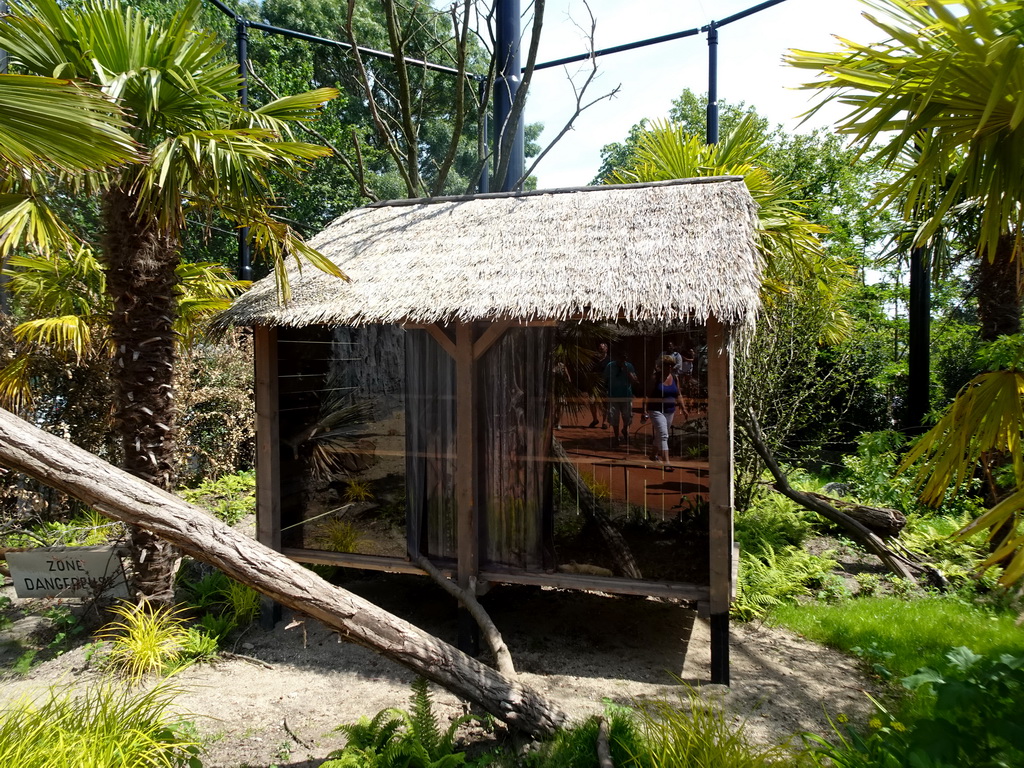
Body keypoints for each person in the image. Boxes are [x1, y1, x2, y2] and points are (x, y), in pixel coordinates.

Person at [642, 355, 686, 469]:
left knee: (661, 433)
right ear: (662, 366)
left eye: (671, 365)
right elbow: (647, 395)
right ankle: (666, 462)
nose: (669, 367)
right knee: (663, 434)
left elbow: (678, 394)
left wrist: (683, 408)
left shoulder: (675, 378)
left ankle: (653, 455)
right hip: (655, 410)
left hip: (670, 410)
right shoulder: (655, 378)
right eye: (667, 365)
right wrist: (644, 410)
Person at [603, 349, 639, 448]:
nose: (622, 360)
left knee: (627, 417)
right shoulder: (610, 366)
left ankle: (625, 429)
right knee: (614, 417)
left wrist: (627, 371)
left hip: (626, 396)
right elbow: (605, 379)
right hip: (613, 395)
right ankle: (616, 437)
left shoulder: (629, 366)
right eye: (621, 358)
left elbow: (635, 381)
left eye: (624, 359)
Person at [588, 341, 609, 428]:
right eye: (600, 348)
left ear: (606, 349)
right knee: (592, 402)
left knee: (604, 404)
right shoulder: (594, 359)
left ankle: (604, 422)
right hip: (594, 385)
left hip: (605, 385)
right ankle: (595, 419)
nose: (601, 349)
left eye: (602, 348)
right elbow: (590, 371)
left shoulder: (609, 360)